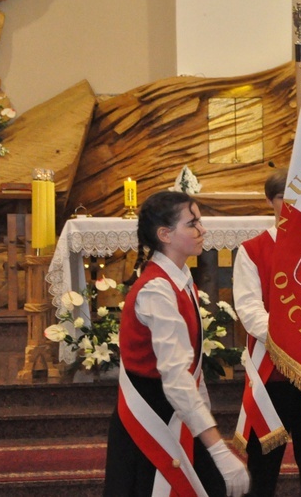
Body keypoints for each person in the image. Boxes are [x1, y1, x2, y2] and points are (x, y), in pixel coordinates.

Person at [103, 191, 250, 496]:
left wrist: (204, 420)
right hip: (151, 422)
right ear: (165, 234)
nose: (202, 230)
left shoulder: (180, 279)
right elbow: (176, 378)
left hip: (175, 413)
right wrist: (217, 449)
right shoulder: (156, 289)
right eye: (193, 223)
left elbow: (190, 370)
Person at [232, 168, 301, 496]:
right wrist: (291, 341)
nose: (291, 204)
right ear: (270, 201)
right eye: (283, 197)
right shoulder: (252, 250)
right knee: (262, 473)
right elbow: (249, 310)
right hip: (270, 374)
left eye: (298, 197)